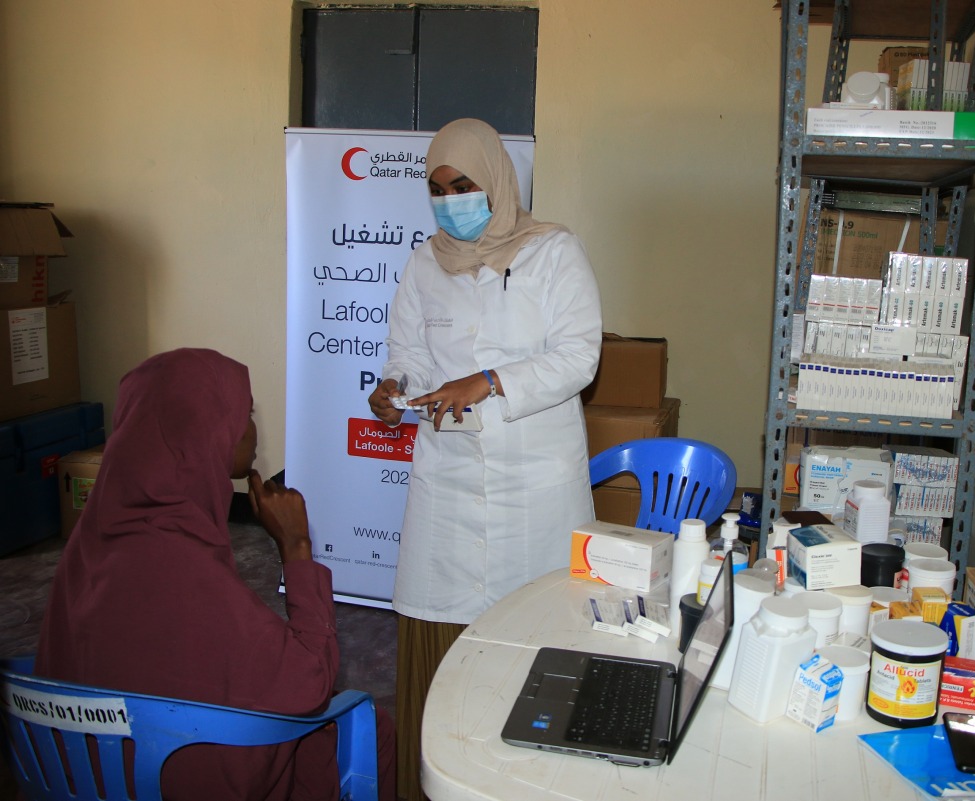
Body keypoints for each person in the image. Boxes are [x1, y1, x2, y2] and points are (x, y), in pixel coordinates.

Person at [36, 348, 397, 801]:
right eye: (243, 415)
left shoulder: (93, 539)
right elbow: (308, 681)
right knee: (368, 725)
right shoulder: (179, 563)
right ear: (207, 429)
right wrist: (297, 547)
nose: (251, 430)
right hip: (169, 773)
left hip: (84, 770)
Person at [367, 118, 602, 799]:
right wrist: (393, 388)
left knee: (537, 636)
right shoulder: (423, 262)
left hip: (537, 484)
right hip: (449, 481)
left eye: (463, 185)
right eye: (437, 189)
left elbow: (579, 356)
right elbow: (407, 357)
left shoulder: (554, 253)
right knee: (443, 636)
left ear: (495, 182)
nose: (450, 202)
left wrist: (492, 380)